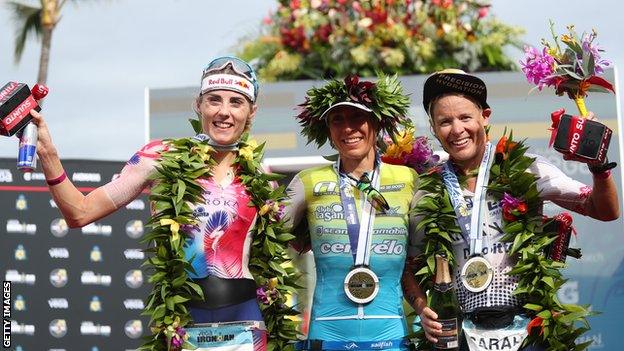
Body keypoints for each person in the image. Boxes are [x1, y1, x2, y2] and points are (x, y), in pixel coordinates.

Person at [29, 56, 296, 351]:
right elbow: (79, 212)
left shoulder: (260, 176)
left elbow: (280, 257)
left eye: (236, 102)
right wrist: (49, 154)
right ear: (199, 104)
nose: (224, 112)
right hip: (182, 322)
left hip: (246, 323)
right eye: (214, 100)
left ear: (251, 111)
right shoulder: (160, 157)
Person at [401, 69, 620, 351]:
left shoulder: (526, 167)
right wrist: (421, 307)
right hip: (461, 335)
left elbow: (604, 210)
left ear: (485, 116)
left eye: (465, 117)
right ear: (432, 127)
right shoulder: (427, 191)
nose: (457, 130)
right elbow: (409, 265)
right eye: (445, 121)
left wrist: (599, 167)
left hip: (526, 329)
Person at [285, 74, 419, 350]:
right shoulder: (308, 181)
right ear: (327, 129)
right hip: (328, 333)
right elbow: (267, 236)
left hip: (391, 333)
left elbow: (422, 255)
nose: (348, 128)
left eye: (357, 117)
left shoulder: (408, 178)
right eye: (338, 120)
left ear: (377, 123)